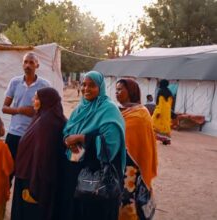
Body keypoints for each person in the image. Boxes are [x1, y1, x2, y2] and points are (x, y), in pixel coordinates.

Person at [61, 71, 126, 220]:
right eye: (83, 84)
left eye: (92, 85)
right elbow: (67, 130)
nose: (86, 89)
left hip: (99, 180)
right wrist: (68, 141)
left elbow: (110, 146)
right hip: (76, 174)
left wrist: (81, 138)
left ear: (101, 87)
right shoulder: (80, 108)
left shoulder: (109, 110)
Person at [12, 87, 67, 220]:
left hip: (36, 179)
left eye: (36, 98)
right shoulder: (42, 117)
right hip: (30, 174)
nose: (33, 100)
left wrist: (35, 184)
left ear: (46, 101)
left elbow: (43, 155)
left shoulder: (47, 123)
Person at [115, 79, 158, 220]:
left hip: (132, 165)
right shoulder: (121, 111)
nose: (117, 93)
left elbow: (132, 139)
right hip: (120, 163)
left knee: (129, 201)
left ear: (131, 91)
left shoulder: (139, 114)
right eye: (116, 90)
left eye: (121, 89)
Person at [2, 52, 50, 163]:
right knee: (9, 169)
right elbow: (4, 108)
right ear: (22, 64)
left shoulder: (44, 85)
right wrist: (20, 110)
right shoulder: (15, 82)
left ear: (37, 65)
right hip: (14, 134)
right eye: (25, 62)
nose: (28, 65)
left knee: (28, 171)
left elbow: (48, 111)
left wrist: (36, 111)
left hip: (33, 134)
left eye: (31, 62)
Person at [152, 79, 174, 145]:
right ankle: (165, 140)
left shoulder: (161, 91)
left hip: (160, 110)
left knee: (153, 124)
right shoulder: (170, 92)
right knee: (166, 126)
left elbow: (160, 102)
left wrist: (158, 112)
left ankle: (153, 138)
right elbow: (170, 103)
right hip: (167, 112)